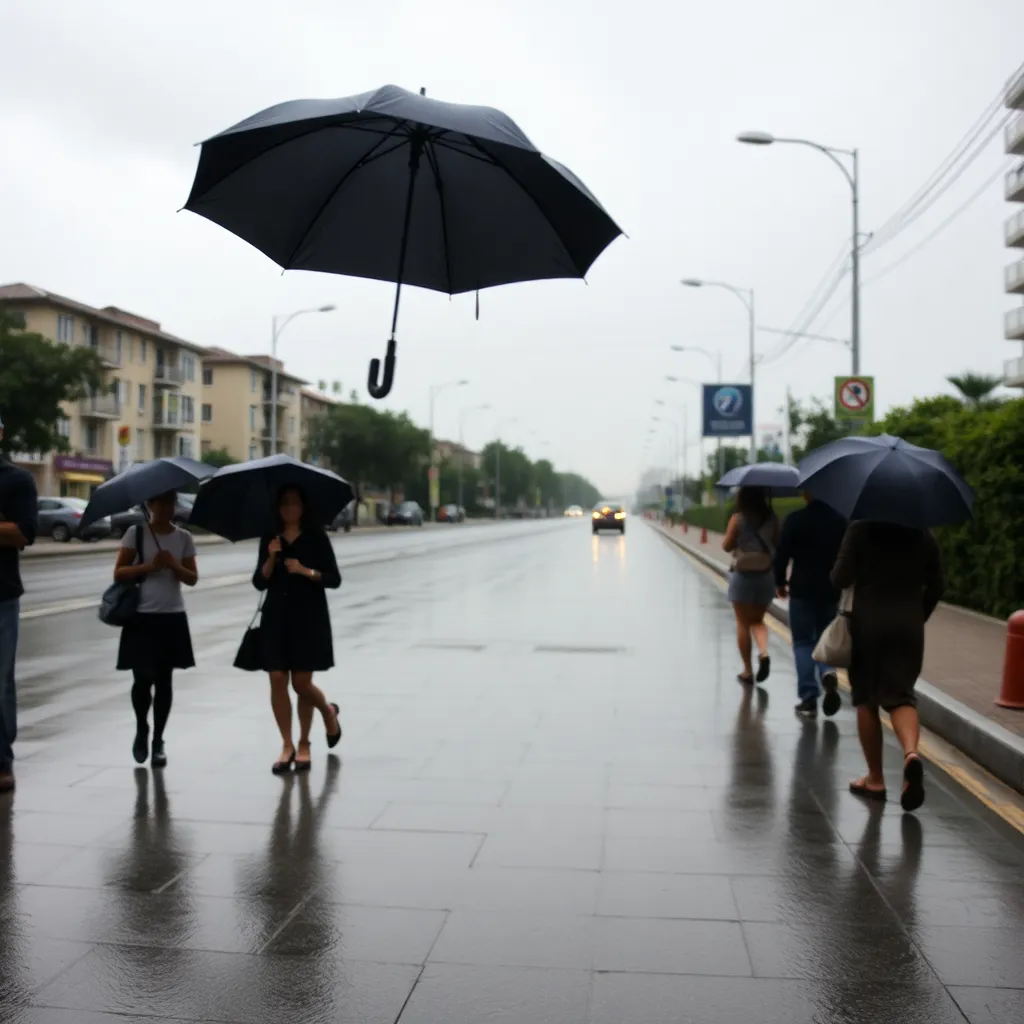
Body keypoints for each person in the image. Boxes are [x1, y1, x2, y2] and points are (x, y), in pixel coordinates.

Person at [831, 520, 943, 812]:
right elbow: (937, 586)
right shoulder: (923, 533)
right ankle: (910, 754)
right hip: (909, 624)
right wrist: (918, 614)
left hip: (869, 621)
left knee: (866, 698)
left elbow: (840, 577)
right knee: (901, 695)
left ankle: (876, 779)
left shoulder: (860, 528)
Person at [253, 485, 342, 775]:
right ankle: (288, 745)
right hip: (276, 615)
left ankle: (319, 725)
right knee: (277, 677)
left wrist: (305, 571)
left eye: (294, 503)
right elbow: (259, 582)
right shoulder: (271, 537)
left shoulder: (316, 536)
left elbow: (333, 579)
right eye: (284, 503)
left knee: (301, 683)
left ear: (303, 507)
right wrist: (270, 558)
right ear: (278, 508)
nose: (289, 508)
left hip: (308, 615)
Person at [113, 490, 198, 768]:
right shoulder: (135, 534)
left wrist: (173, 564)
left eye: (170, 502)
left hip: (171, 617)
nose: (166, 507)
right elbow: (119, 572)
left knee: (164, 681)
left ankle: (158, 740)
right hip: (141, 617)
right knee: (142, 679)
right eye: (160, 502)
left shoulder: (183, 537)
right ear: (149, 504)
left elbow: (193, 578)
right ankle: (142, 728)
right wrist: (148, 566)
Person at [773, 493, 848, 718]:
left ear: (806, 494)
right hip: (830, 590)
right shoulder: (840, 521)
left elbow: (781, 556)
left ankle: (808, 698)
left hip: (802, 590)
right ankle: (827, 671)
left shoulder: (795, 519)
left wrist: (779, 582)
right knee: (826, 637)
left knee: (803, 642)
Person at [0, 413, 38, 794]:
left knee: (0, 683)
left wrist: (7, 528)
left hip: (2, 595)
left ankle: (1, 763)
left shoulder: (17, 480)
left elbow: (22, 532)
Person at [722, 487, 780, 685]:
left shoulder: (738, 519)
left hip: (742, 576)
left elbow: (726, 546)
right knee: (758, 620)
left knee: (742, 623)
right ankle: (763, 652)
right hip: (765, 576)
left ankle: (747, 670)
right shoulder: (772, 519)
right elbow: (777, 544)